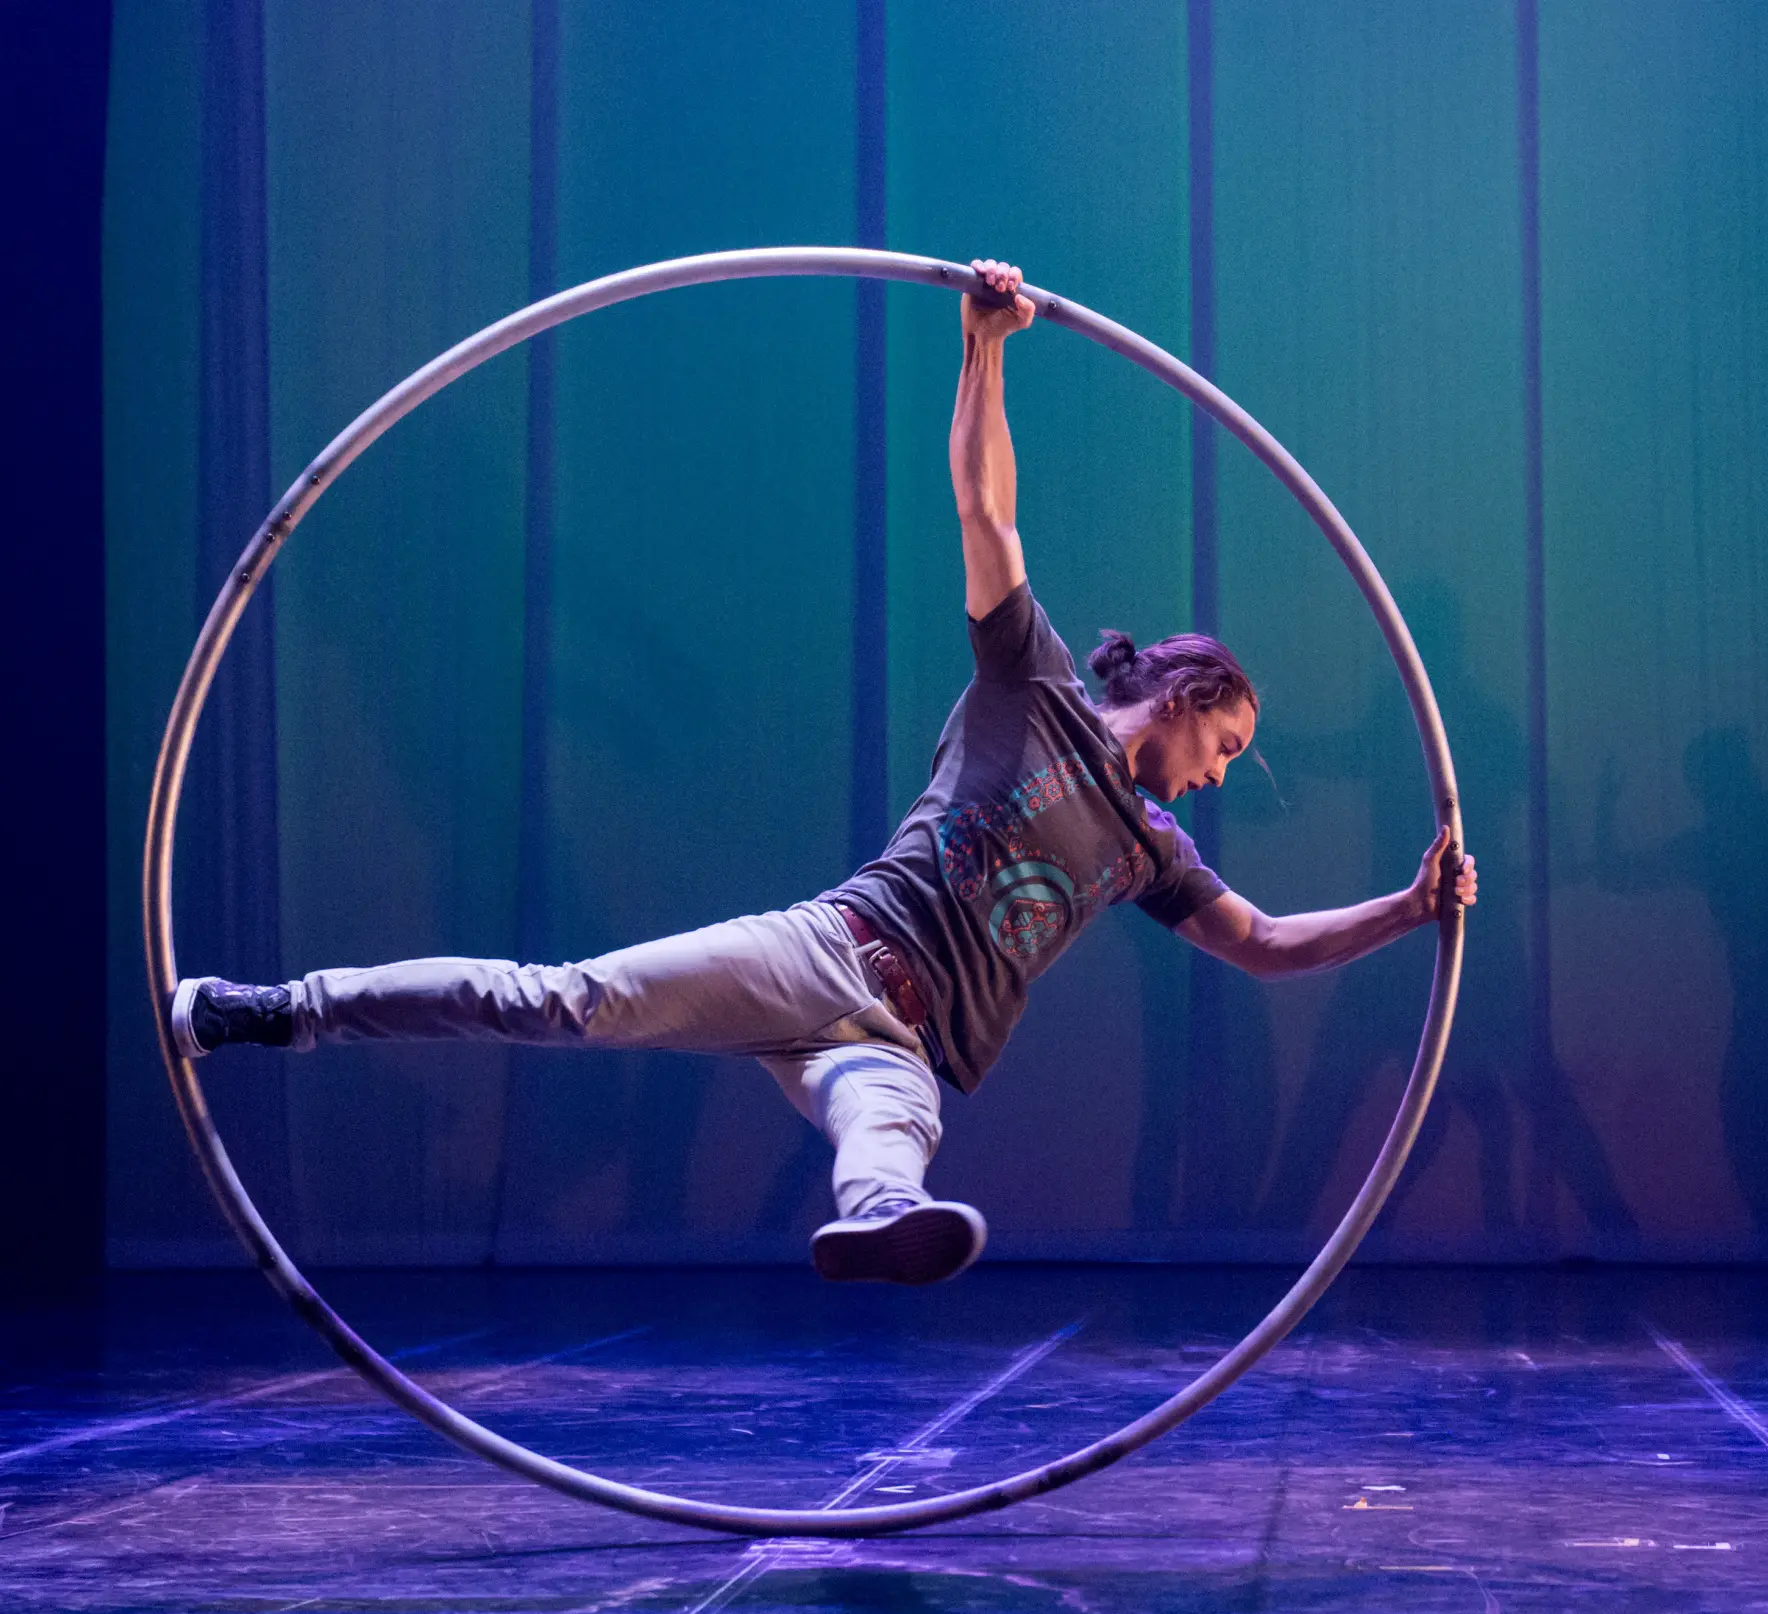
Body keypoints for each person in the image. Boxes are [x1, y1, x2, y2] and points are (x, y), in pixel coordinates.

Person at [172, 259, 1476, 1287]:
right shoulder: (1032, 683)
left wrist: (1412, 909)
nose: (1220, 778)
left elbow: (1264, 942)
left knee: (895, 1146)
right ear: (1184, 698)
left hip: (901, 1042)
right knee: (557, 1003)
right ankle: (274, 1007)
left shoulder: (1151, 851)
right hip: (824, 956)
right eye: (1228, 746)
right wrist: (982, 347)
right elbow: (987, 513)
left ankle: (883, 1226)